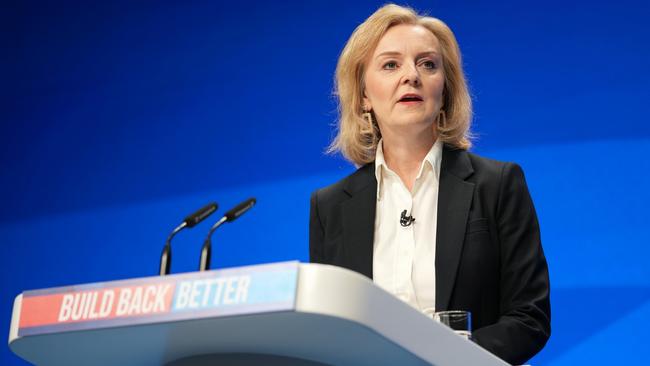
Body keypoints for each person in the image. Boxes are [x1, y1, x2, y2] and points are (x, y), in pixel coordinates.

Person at [309, 4, 550, 365]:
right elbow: (328, 333)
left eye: (428, 64)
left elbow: (529, 318)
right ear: (363, 96)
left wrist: (447, 358)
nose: (412, 76)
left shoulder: (497, 184)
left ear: (445, 90)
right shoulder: (330, 207)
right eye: (391, 64)